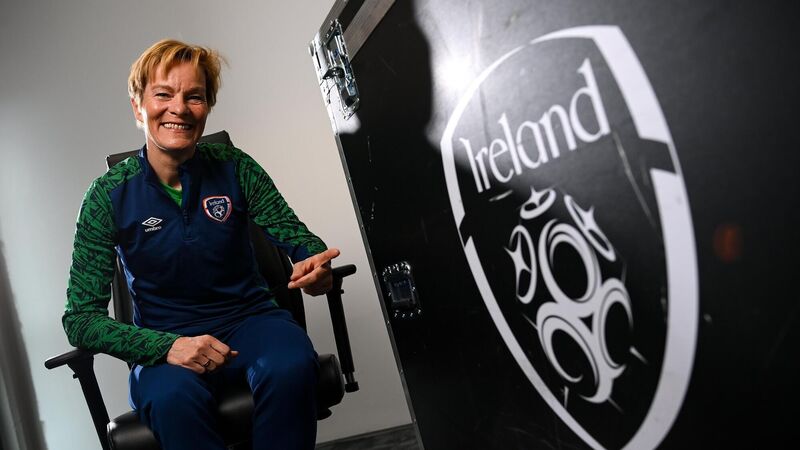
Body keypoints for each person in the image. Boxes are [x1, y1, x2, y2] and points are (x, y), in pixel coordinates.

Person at [62, 39, 339, 449]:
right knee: (173, 401)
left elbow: (299, 241)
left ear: (207, 107)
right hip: (164, 344)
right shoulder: (106, 196)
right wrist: (166, 346)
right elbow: (80, 319)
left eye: (194, 96)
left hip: (251, 322)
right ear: (138, 107)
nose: (179, 108)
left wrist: (315, 266)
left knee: (290, 366)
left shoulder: (235, 166)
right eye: (163, 95)